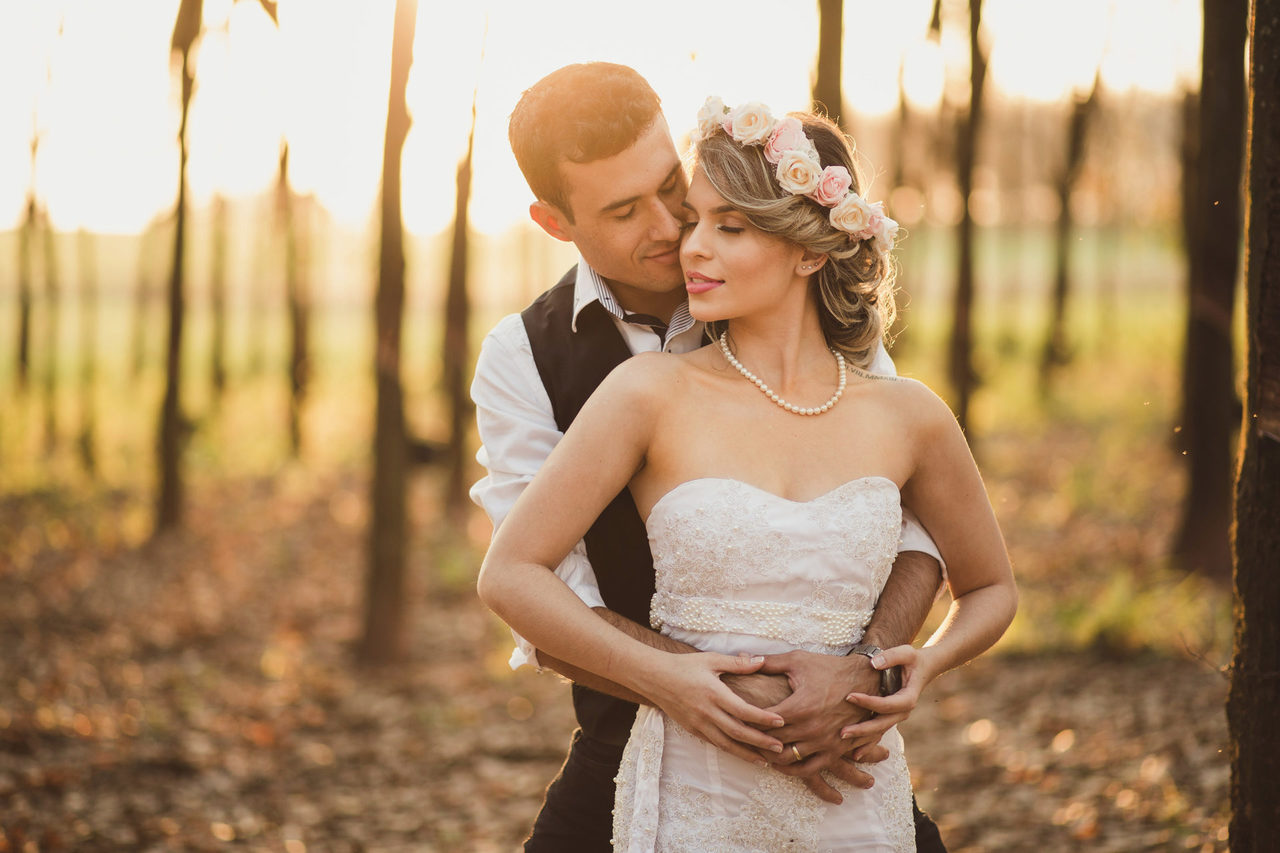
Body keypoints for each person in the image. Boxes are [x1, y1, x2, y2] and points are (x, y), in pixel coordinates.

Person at [476, 92, 1018, 851]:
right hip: (643, 730)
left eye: (677, 193)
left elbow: (918, 527)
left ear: (809, 247)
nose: (676, 235)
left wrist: (877, 670)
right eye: (628, 211)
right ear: (557, 223)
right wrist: (694, 686)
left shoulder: (877, 390)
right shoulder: (548, 365)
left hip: (844, 750)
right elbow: (533, 586)